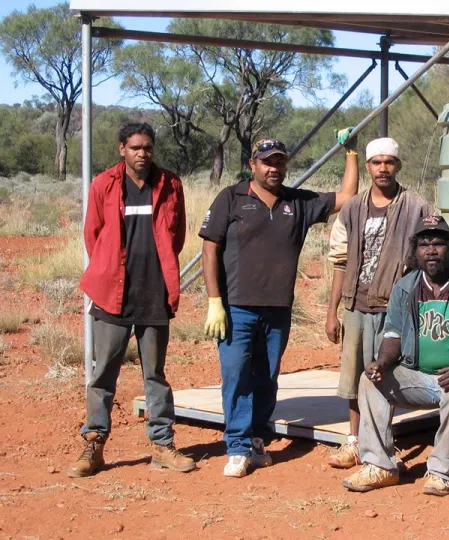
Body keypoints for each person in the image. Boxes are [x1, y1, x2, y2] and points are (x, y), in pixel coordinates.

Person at [200, 134, 359, 478]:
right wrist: (215, 300)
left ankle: (257, 438)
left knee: (267, 376)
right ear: (252, 165)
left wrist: (351, 152)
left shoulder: (297, 202)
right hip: (236, 306)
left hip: (278, 308)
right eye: (267, 161)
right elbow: (210, 248)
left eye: (279, 162)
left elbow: (347, 198)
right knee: (236, 375)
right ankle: (238, 446)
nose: (274, 168)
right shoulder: (231, 198)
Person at [342, 216, 449, 495]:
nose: (431, 250)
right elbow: (393, 335)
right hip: (419, 374)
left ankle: (442, 472)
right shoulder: (406, 287)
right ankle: (380, 465)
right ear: (416, 251)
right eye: (424, 244)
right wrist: (383, 362)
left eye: (438, 243)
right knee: (369, 380)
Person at [69, 122, 195, 478]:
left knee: (155, 374)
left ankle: (162, 444)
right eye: (136, 147)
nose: (143, 154)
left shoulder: (170, 184)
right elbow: (93, 235)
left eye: (148, 148)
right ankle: (94, 444)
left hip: (155, 294)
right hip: (113, 295)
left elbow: (177, 235)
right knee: (103, 373)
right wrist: (111, 269)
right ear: (122, 149)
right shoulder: (104, 185)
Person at [324, 137, 434, 469]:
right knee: (355, 376)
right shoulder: (353, 208)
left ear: (398, 166)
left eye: (389, 162)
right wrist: (332, 312)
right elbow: (340, 262)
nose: (382, 168)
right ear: (368, 166)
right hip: (356, 305)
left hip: (396, 307)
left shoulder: (417, 207)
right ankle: (355, 441)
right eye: (376, 162)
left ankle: (384, 442)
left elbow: (434, 252)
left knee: (387, 374)